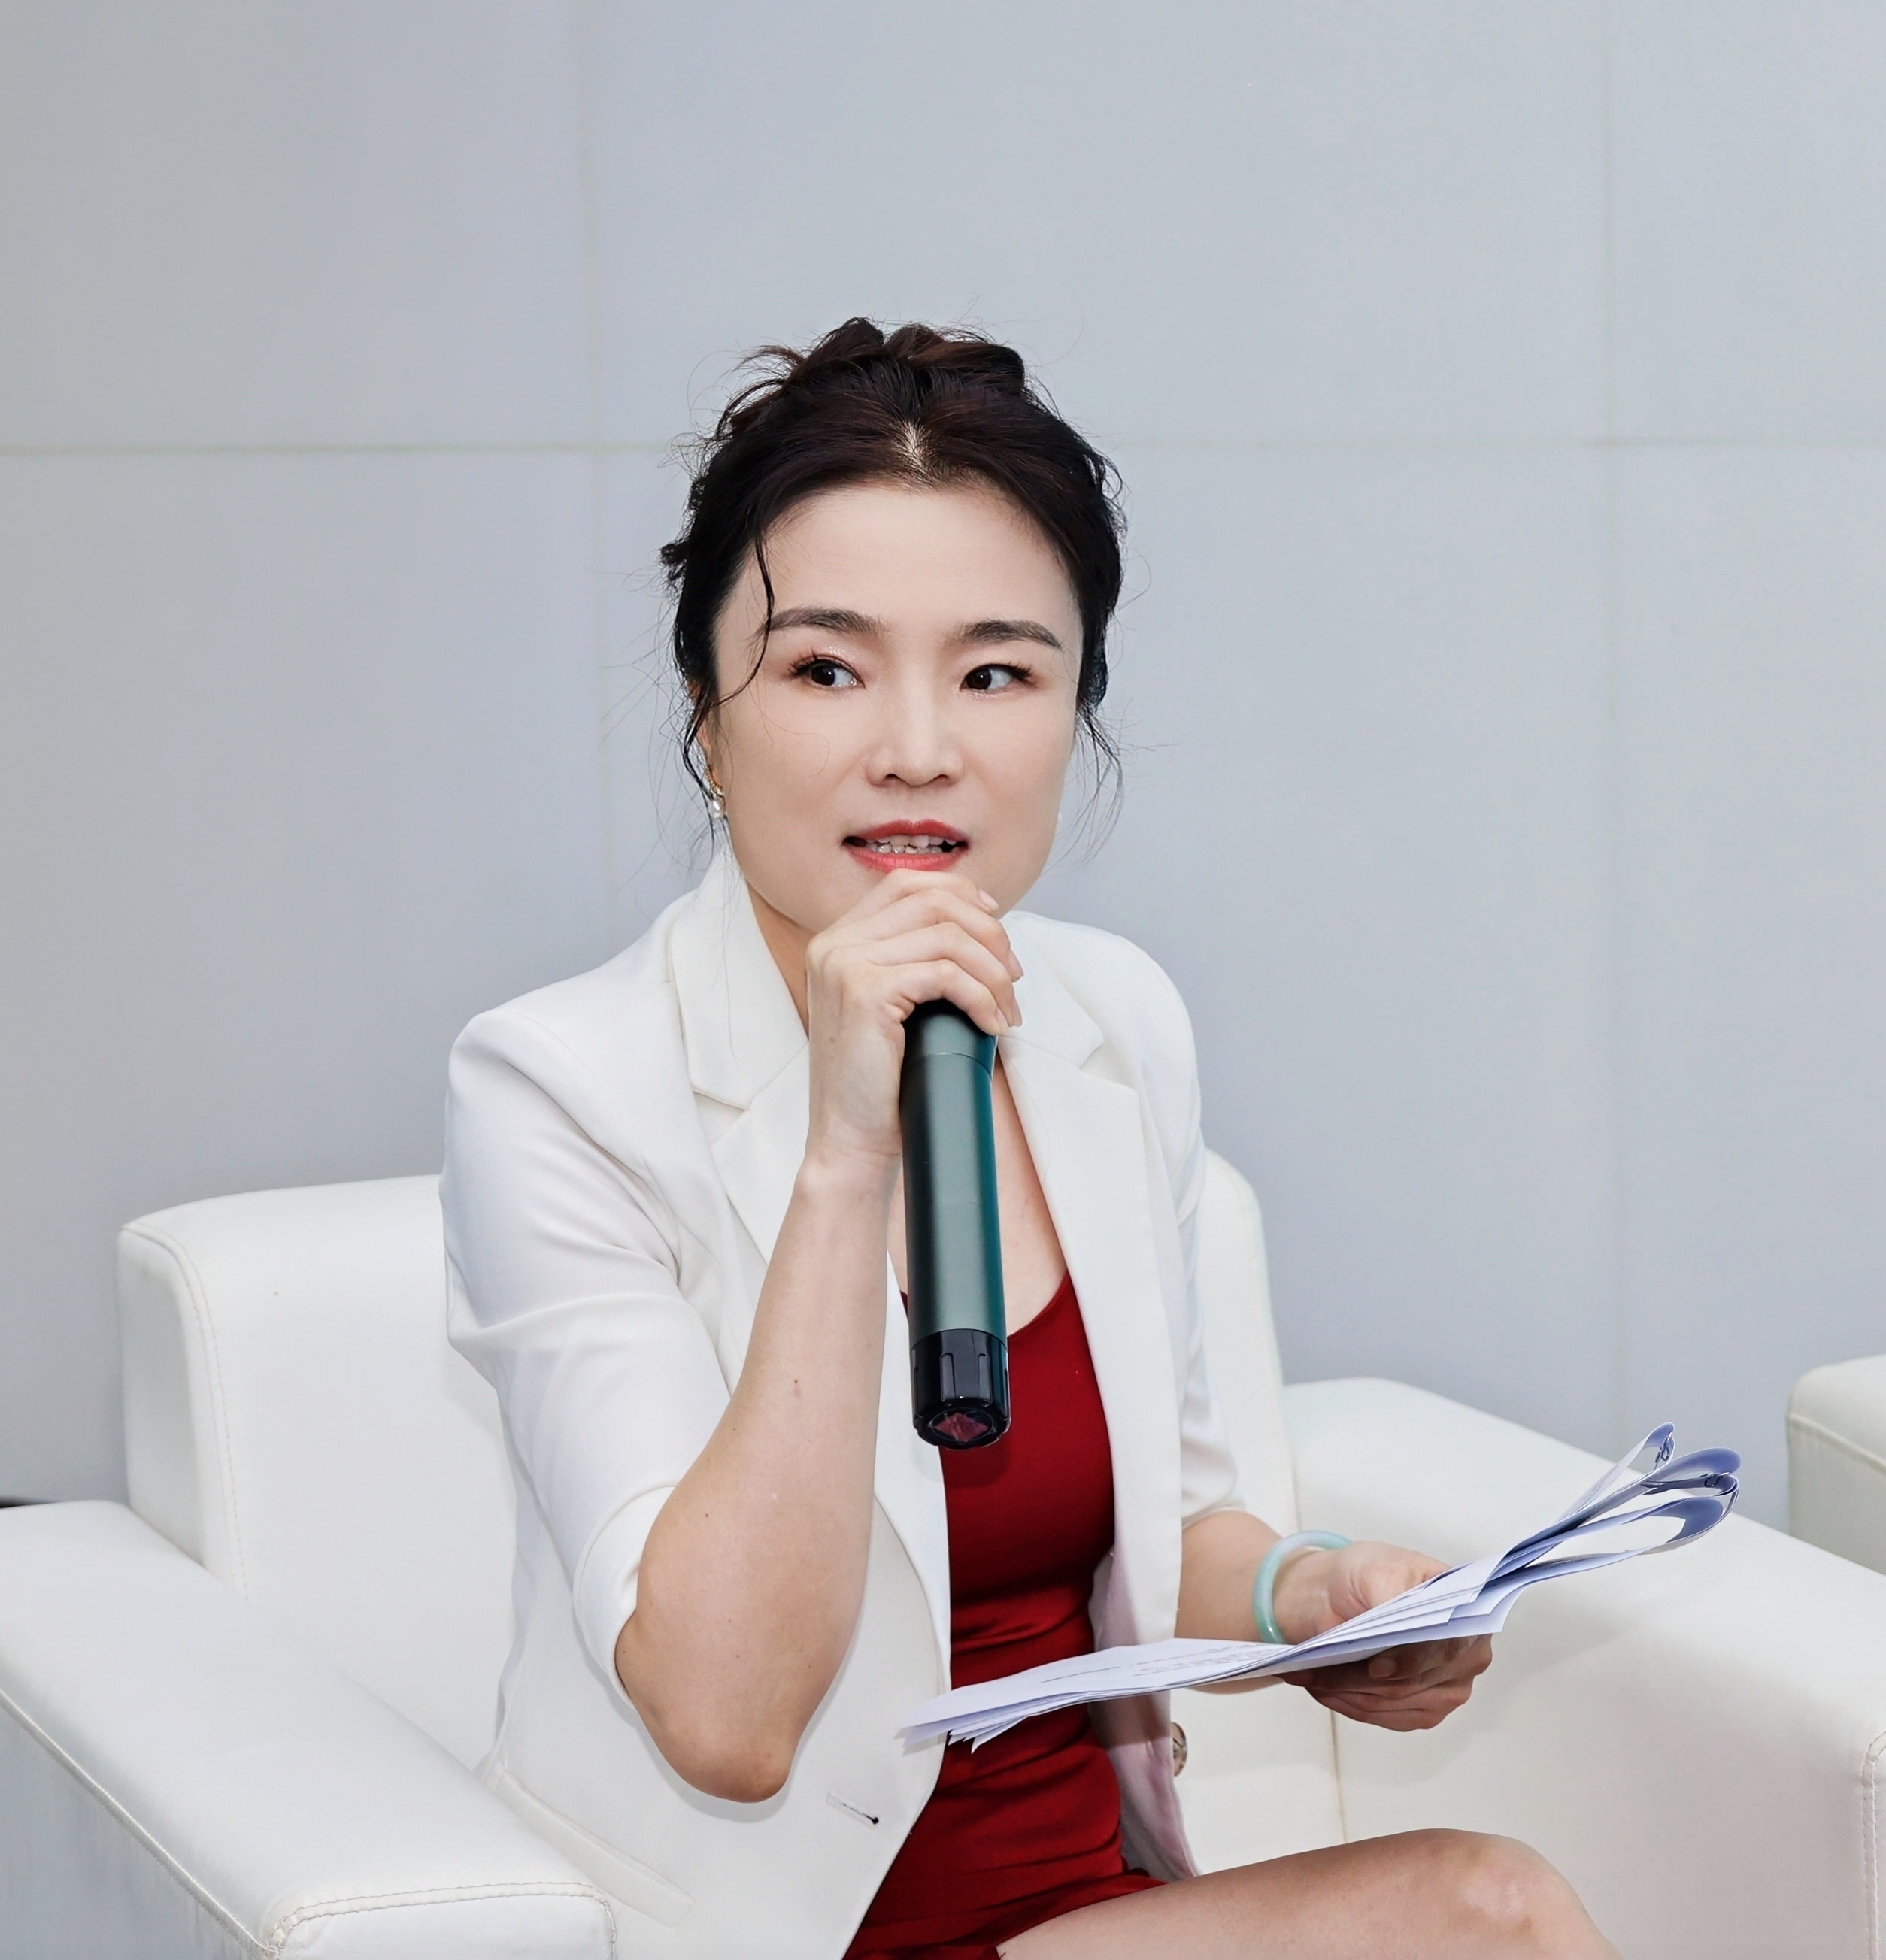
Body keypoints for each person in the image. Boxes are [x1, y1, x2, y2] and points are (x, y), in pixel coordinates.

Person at [440, 320, 1617, 1959]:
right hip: (770, 1935)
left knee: (1488, 1908)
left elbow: (1166, 1534)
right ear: (709, 715)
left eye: (997, 672)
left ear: (1077, 712)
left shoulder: (1110, 1020)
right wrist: (847, 1154)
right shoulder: (560, 1085)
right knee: (1483, 1915)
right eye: (827, 668)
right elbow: (725, 1717)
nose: (919, 748)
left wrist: (1316, 1598)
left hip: (1081, 1909)